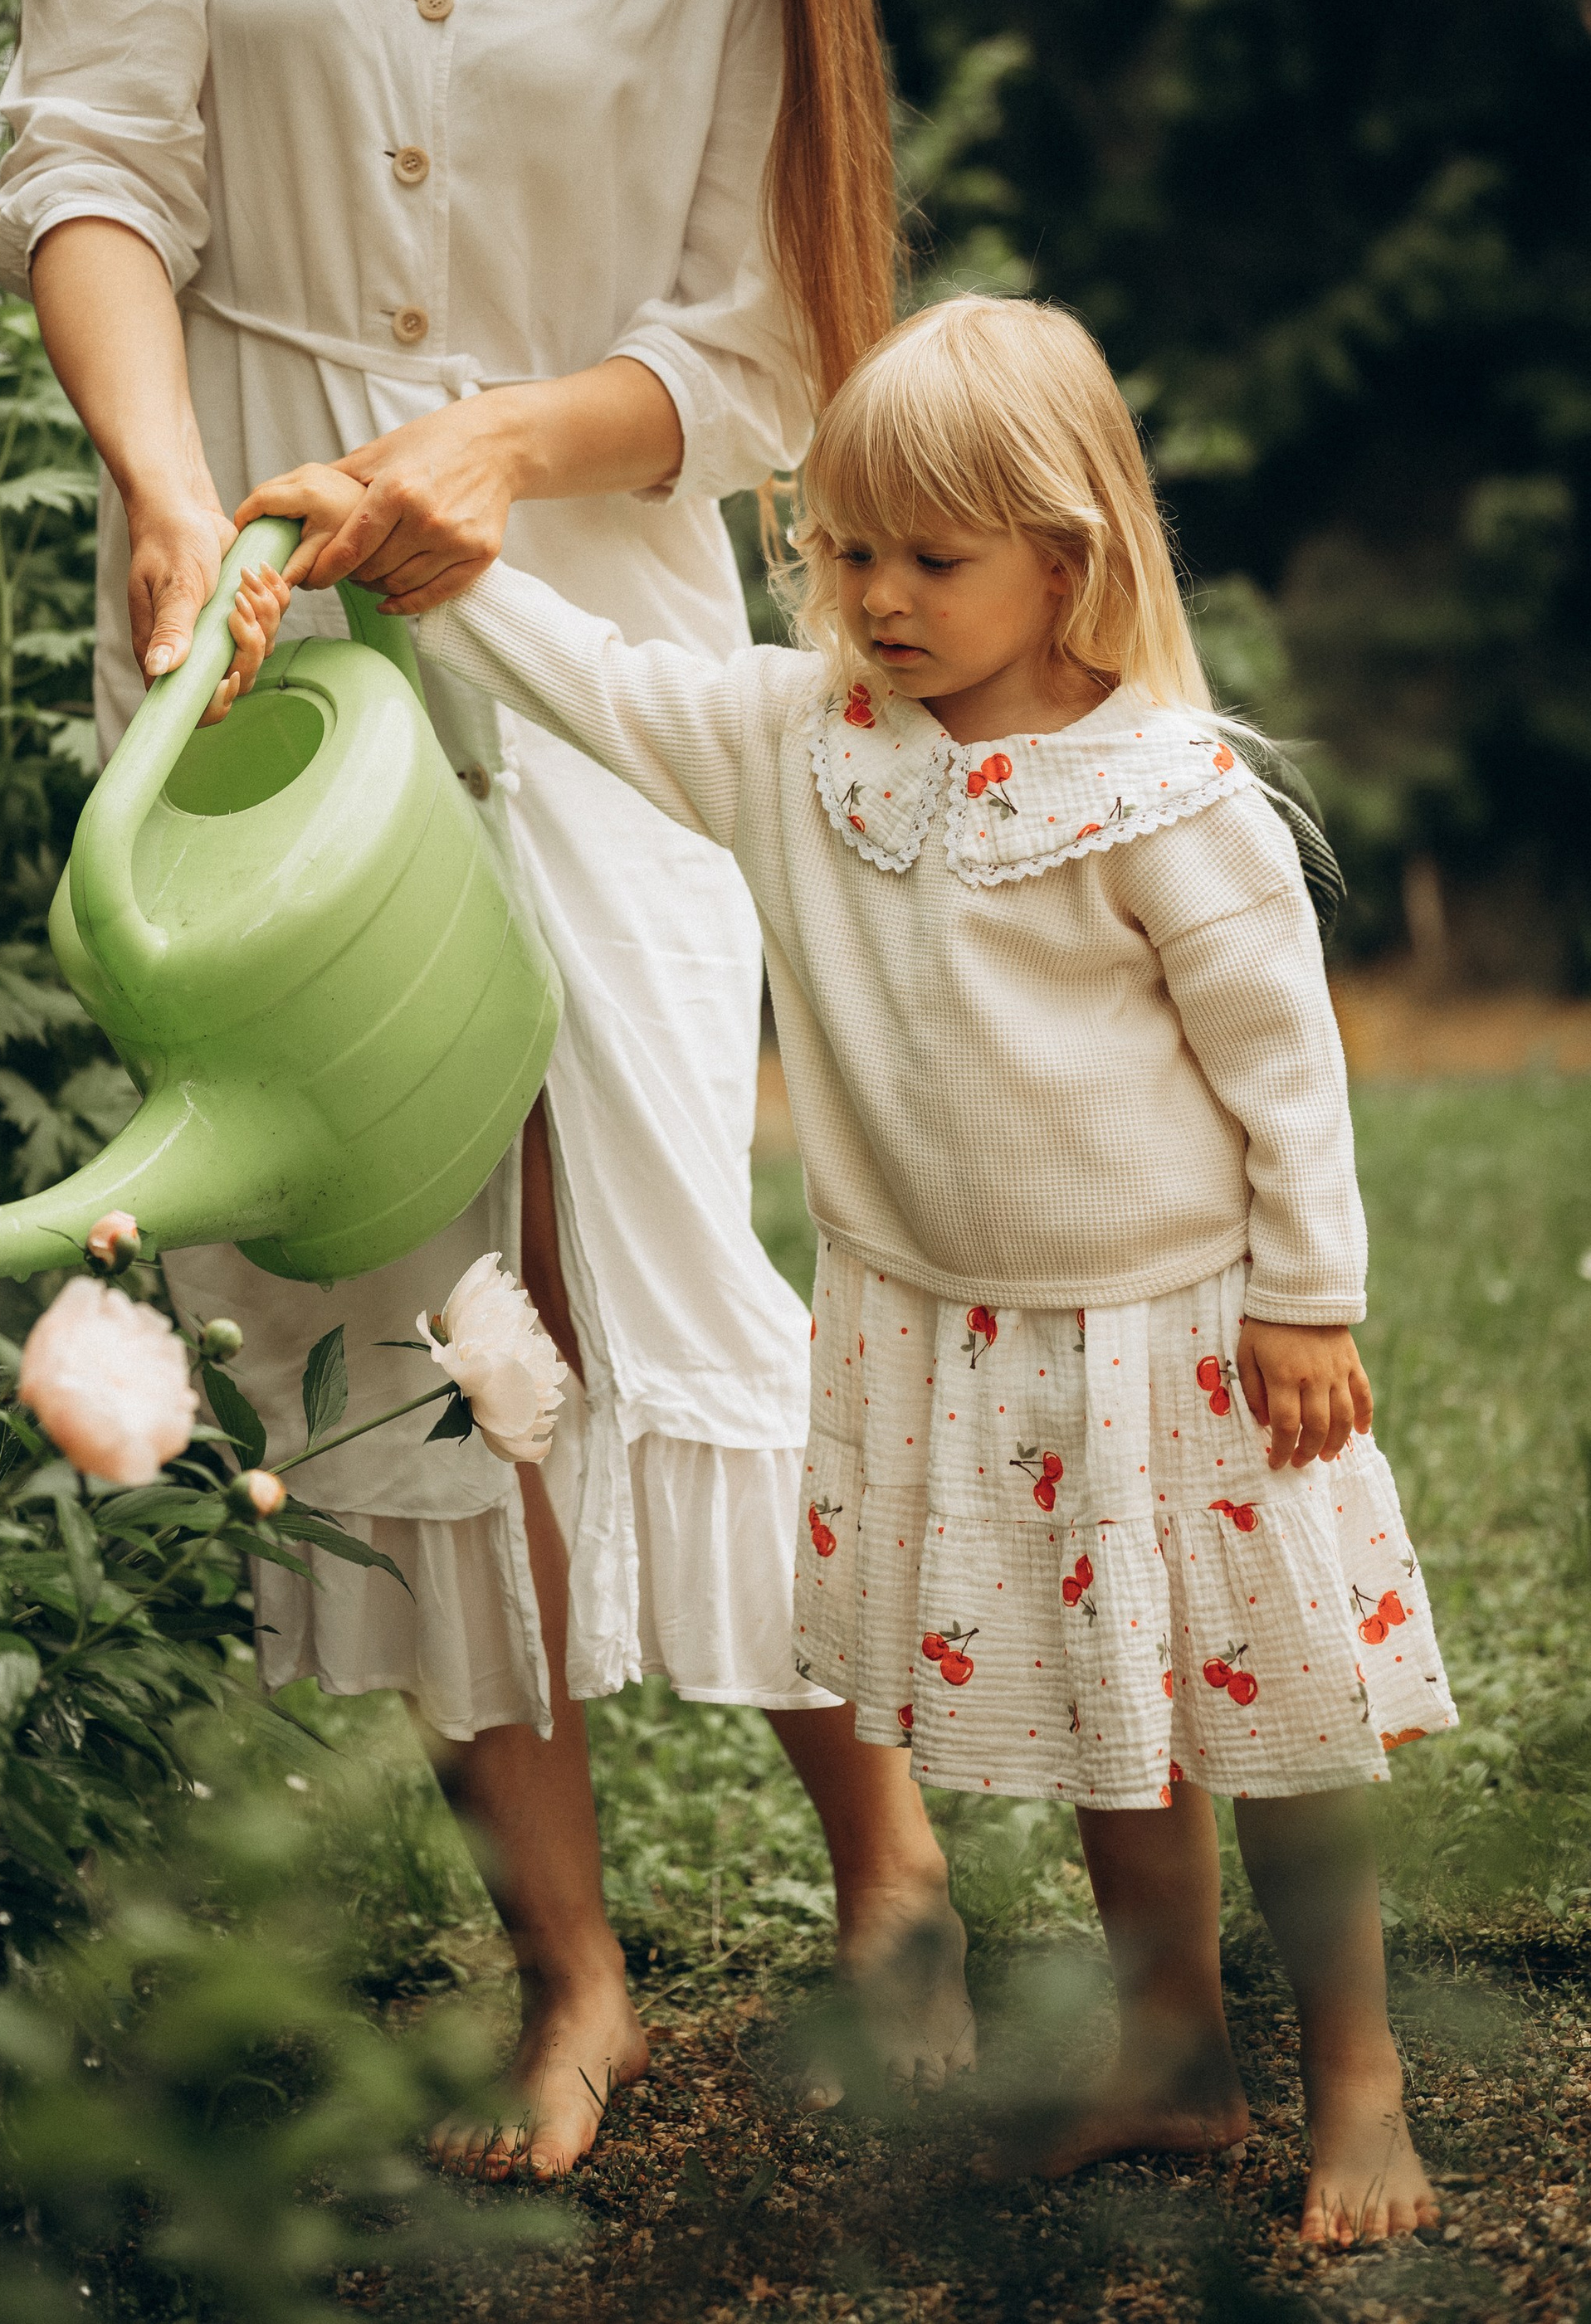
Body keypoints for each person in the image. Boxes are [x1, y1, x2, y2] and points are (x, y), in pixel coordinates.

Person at [0, 0, 971, 2174]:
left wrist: (503, 451)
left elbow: (774, 350)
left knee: (663, 1229)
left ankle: (894, 1884)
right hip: (267, 609)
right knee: (392, 1287)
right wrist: (175, 491)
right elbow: (95, 160)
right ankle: (570, 1970)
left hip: (602, 614)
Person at [243, 289, 1458, 2247]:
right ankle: (1170, 2047)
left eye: (930, 559)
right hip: (968, 1337)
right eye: (841, 551)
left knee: (1272, 1715)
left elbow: (1284, 1070)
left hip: (1182, 1340)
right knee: (1106, 1714)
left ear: (1065, 556)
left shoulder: (1164, 795)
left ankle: (1359, 2080)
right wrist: (407, 546)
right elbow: (594, 678)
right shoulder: (800, 745)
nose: (875, 598)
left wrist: (1305, 1297)